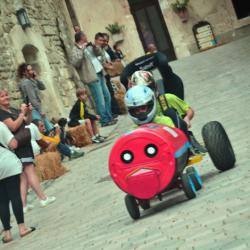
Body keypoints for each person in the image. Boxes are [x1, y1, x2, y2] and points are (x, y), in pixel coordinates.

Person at [0, 90, 56, 213]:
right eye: (2, 96)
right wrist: (21, 114)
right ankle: (43, 198)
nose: (6, 97)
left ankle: (23, 205)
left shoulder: (12, 109)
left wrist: (28, 112)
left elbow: (27, 122)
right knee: (30, 171)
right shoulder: (1, 114)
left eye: (6, 95)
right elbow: (13, 126)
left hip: (24, 143)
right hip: (18, 146)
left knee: (24, 176)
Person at [0, 122, 36, 243]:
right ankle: (22, 228)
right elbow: (13, 144)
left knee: (2, 201)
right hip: (6, 162)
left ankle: (7, 233)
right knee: (14, 195)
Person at [71, 31, 116, 127]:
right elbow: (76, 63)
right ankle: (104, 121)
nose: (87, 37)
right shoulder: (75, 50)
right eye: (85, 36)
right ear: (82, 37)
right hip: (91, 76)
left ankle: (109, 117)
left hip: (100, 72)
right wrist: (82, 50)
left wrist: (95, 47)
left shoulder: (89, 45)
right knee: (100, 100)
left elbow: (99, 53)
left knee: (107, 96)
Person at [17, 63, 54, 133]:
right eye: (29, 70)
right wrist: (40, 111)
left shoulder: (31, 80)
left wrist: (36, 78)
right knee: (48, 130)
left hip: (36, 109)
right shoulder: (26, 82)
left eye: (32, 69)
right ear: (24, 72)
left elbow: (43, 87)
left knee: (47, 130)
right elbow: (32, 99)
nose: (32, 72)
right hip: (34, 110)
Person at [95, 32, 121, 117]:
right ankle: (112, 113)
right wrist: (108, 66)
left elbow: (111, 56)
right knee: (107, 95)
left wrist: (114, 60)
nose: (105, 42)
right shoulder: (97, 49)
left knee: (110, 93)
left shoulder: (106, 48)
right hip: (102, 74)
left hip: (107, 74)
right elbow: (100, 62)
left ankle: (114, 111)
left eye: (106, 41)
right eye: (103, 40)